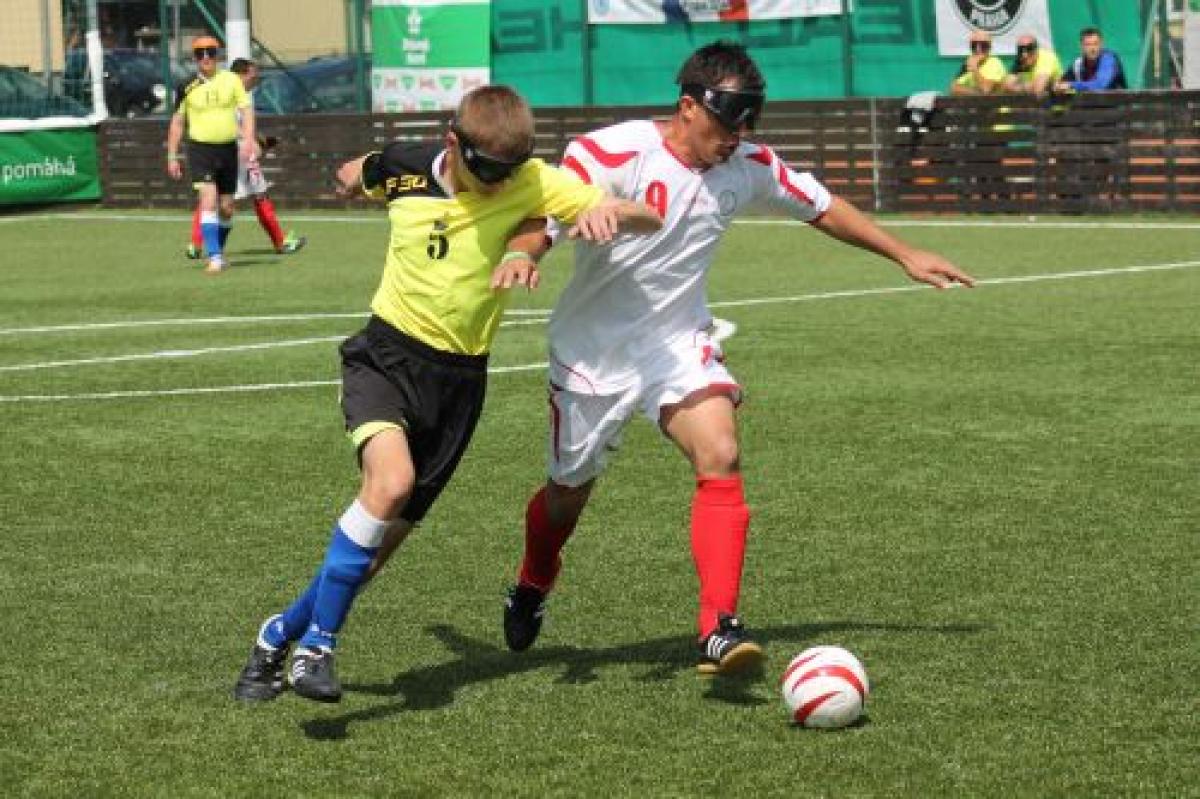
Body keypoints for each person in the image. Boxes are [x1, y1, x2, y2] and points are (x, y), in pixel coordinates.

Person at [500, 41, 976, 676]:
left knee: (720, 451)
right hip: (594, 350)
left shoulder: (748, 164)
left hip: (676, 342)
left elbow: (823, 206)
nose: (739, 137)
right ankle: (533, 581)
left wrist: (904, 254)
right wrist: (525, 253)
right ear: (688, 107)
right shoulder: (607, 151)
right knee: (568, 492)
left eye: (749, 122)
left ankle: (717, 627)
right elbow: (545, 216)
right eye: (728, 122)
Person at [232, 84, 662, 704]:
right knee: (389, 484)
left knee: (375, 551)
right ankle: (317, 648)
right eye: (486, 169)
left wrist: (609, 213)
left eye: (509, 172)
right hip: (384, 357)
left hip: (459, 384)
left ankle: (276, 635)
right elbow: (357, 171)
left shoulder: (534, 181)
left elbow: (649, 215)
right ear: (452, 142)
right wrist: (351, 176)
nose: (498, 184)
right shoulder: (404, 167)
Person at [185, 58, 305, 260]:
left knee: (211, 197)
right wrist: (252, 144)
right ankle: (281, 242)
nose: (255, 79)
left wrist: (262, 140)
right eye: (253, 75)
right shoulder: (231, 91)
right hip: (238, 153)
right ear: (241, 75)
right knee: (260, 195)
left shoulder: (222, 89)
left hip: (223, 151)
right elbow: (233, 123)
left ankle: (195, 245)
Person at [166, 36, 259, 275]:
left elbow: (246, 111)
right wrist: (172, 155)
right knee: (208, 199)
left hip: (228, 149)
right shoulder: (186, 86)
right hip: (200, 150)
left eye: (210, 52)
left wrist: (249, 140)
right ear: (194, 58)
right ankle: (215, 257)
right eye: (200, 53)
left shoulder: (231, 80)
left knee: (227, 208)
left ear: (218, 54)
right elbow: (177, 122)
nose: (205, 57)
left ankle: (217, 250)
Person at [1057, 27, 1128, 93]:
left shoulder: (1109, 59)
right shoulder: (1078, 63)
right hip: (1089, 104)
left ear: (1101, 44)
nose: (1092, 48)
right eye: (1088, 45)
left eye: (1096, 44)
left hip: (1116, 104)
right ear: (1081, 46)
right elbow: (1063, 83)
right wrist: (1058, 86)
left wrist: (1071, 85)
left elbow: (1100, 85)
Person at [1003, 34, 1063, 98]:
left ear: (1036, 50)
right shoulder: (1020, 60)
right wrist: (1030, 86)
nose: (1024, 55)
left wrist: (1018, 87)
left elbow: (1037, 90)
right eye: (1020, 50)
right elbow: (1006, 87)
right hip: (1032, 101)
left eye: (1029, 49)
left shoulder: (1047, 58)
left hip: (1056, 101)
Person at [949, 30, 1007, 96]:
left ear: (990, 47)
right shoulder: (969, 62)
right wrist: (978, 93)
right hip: (974, 105)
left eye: (983, 45)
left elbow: (986, 89)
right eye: (974, 45)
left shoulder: (995, 63)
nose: (978, 49)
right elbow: (954, 89)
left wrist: (975, 69)